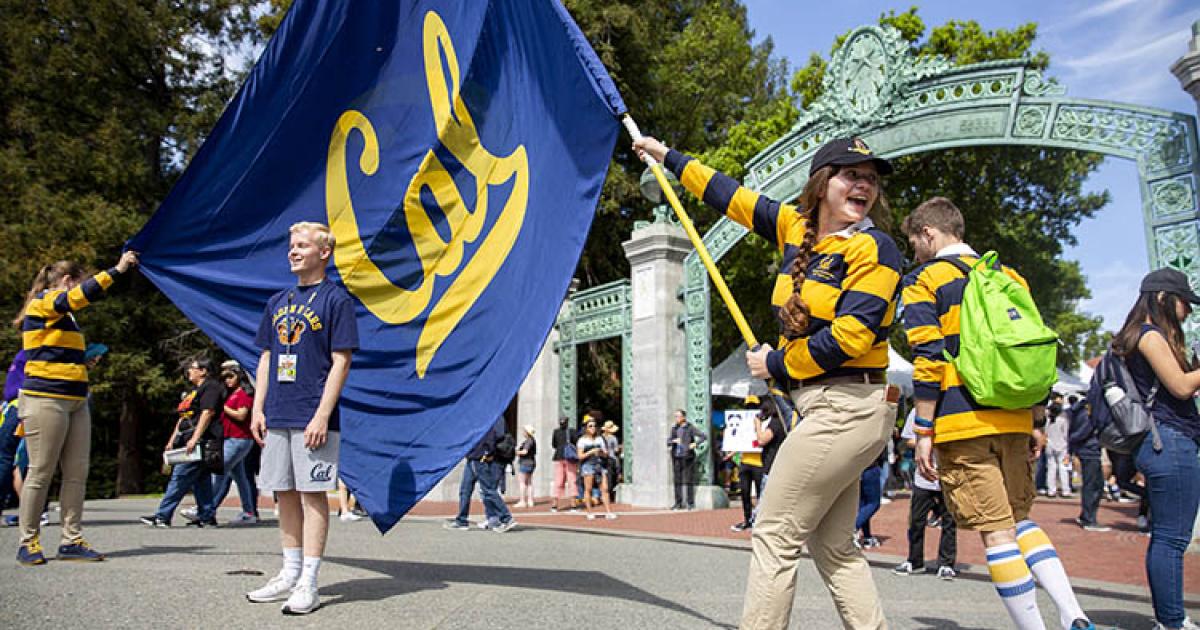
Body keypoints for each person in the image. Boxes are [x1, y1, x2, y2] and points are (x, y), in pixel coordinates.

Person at [634, 135, 899, 630]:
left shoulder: (875, 247)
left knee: (774, 533)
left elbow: (853, 336)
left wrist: (778, 364)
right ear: (821, 184)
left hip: (848, 405)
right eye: (851, 174)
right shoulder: (793, 226)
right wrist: (665, 155)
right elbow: (727, 194)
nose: (863, 184)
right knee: (834, 547)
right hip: (828, 408)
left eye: (870, 178)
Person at [900, 197, 1093, 630]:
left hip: (961, 420)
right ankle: (1073, 614)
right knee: (1020, 519)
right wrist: (1037, 419)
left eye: (915, 243)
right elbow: (1034, 352)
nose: (914, 252)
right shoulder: (1009, 276)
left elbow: (928, 358)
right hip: (1015, 416)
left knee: (995, 531)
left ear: (929, 234)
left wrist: (925, 428)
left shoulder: (924, 281)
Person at [245, 222, 358, 615]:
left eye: (302, 246)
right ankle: (289, 573)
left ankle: (309, 580)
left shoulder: (336, 300)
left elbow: (341, 361)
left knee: (312, 495)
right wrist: (258, 407)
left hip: (313, 414)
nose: (293, 251)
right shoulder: (278, 300)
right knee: (283, 494)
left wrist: (322, 415)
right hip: (277, 411)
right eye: (292, 245)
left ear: (323, 252)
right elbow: (265, 357)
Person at [15, 251, 139, 565]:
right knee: (40, 472)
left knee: (76, 473)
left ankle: (71, 539)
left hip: (75, 399)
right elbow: (76, 298)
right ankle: (27, 541)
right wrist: (117, 270)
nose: (79, 290)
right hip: (45, 399)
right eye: (78, 284)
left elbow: (55, 352)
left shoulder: (67, 318)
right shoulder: (44, 302)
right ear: (68, 282)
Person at [1111, 268, 1200, 630]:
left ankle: (1170, 618)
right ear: (1162, 298)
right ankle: (1172, 620)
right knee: (1172, 538)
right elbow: (1180, 387)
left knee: (1166, 535)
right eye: (1185, 303)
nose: (1188, 312)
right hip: (1170, 440)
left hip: (1160, 441)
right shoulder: (1148, 336)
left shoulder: (1136, 335)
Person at [141, 358, 225, 528]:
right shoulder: (194, 391)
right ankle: (207, 516)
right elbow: (184, 417)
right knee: (201, 480)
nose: (189, 371)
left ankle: (162, 516)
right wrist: (172, 440)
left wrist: (195, 438)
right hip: (187, 439)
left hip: (201, 440)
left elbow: (207, 412)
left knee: (180, 476)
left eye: (192, 368)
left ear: (204, 371)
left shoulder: (211, 387)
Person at [894, 409, 957, 579]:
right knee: (916, 521)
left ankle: (946, 564)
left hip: (949, 476)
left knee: (949, 522)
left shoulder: (952, 409)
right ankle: (915, 561)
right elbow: (908, 439)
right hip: (923, 477)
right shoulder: (918, 412)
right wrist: (927, 443)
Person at [445, 416, 516, 532]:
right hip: (473, 457)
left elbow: (495, 435)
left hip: (479, 457)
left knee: (488, 490)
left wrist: (486, 451)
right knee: (465, 490)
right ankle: (461, 520)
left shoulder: (489, 417)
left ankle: (507, 518)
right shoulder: (481, 416)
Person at [210, 364, 258, 524]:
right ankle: (249, 511)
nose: (227, 380)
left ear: (239, 376)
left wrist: (223, 408)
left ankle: (206, 508)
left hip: (239, 439)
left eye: (231, 376)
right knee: (240, 477)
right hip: (231, 438)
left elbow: (241, 415)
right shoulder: (232, 394)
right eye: (225, 378)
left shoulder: (244, 394)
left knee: (218, 470)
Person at [1067, 394, 1109, 532]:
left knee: (1096, 484)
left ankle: (1087, 516)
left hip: (1089, 449)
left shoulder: (1083, 410)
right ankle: (1088, 518)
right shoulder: (1089, 413)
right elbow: (1082, 431)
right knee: (1093, 485)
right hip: (1089, 450)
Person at [666, 409, 706, 511]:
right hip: (676, 456)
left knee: (688, 480)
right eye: (675, 416)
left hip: (687, 456)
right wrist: (673, 441)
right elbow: (668, 441)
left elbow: (703, 436)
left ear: (684, 417)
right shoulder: (674, 428)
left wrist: (695, 444)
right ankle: (678, 503)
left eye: (678, 416)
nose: (676, 418)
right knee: (677, 480)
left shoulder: (690, 427)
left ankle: (690, 503)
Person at [576, 418, 616, 520]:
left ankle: (608, 512)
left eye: (594, 426)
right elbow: (580, 456)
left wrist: (602, 453)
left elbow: (606, 453)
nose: (593, 428)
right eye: (590, 426)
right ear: (586, 428)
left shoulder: (600, 439)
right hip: (588, 465)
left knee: (605, 489)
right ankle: (589, 512)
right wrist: (591, 452)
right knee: (588, 489)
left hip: (600, 464)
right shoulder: (582, 440)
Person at [855, 450, 886, 549]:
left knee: (863, 505)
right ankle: (853, 528)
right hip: (870, 467)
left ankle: (867, 536)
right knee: (874, 503)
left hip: (859, 468)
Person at [1044, 395, 1073, 498]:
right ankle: (1065, 490)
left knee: (1051, 467)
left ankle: (1051, 490)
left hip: (1049, 444)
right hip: (1062, 445)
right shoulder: (1063, 419)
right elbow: (1065, 434)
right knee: (1063, 467)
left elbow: (1045, 432)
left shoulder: (1048, 419)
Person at [549, 417, 578, 512]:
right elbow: (575, 442)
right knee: (572, 480)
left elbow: (554, 444)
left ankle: (554, 505)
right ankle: (573, 505)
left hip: (558, 457)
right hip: (569, 457)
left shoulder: (556, 431)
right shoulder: (572, 431)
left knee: (558, 481)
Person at [515, 425, 537, 508]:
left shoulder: (528, 441)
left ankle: (522, 501)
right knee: (529, 482)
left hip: (525, 462)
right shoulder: (532, 440)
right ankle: (530, 500)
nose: (523, 432)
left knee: (522, 482)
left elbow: (524, 452)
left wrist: (516, 452)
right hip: (532, 462)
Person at [601, 420, 622, 500]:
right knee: (611, 477)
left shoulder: (600, 437)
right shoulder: (613, 438)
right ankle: (609, 495)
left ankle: (602, 494)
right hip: (611, 459)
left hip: (602, 459)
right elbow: (616, 450)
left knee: (603, 477)